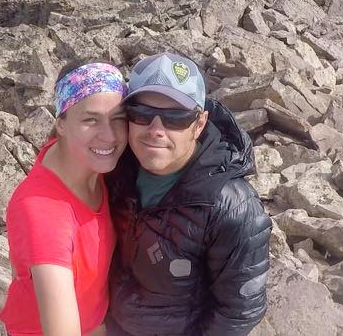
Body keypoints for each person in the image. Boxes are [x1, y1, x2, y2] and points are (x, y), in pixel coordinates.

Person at [106, 52, 271, 336]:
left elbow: (238, 313)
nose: (156, 130)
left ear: (199, 123)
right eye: (142, 114)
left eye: (176, 117)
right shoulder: (115, 170)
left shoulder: (233, 207)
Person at [0, 60, 129, 336]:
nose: (109, 136)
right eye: (90, 120)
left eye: (118, 118)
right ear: (61, 123)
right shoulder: (45, 214)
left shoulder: (77, 158)